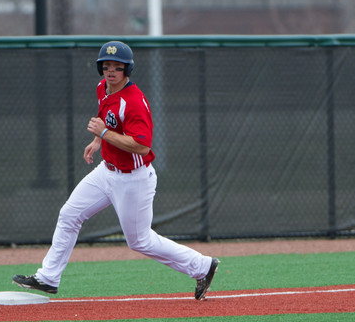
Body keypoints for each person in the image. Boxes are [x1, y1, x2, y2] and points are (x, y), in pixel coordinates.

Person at [13, 41, 220, 300]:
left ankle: (202, 266)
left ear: (127, 69)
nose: (111, 71)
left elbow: (142, 146)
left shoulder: (134, 102)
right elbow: (107, 120)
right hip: (107, 172)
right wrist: (98, 141)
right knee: (69, 214)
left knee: (140, 241)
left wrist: (103, 133)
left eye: (117, 67)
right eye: (106, 66)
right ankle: (48, 278)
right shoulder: (103, 87)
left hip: (133, 179)